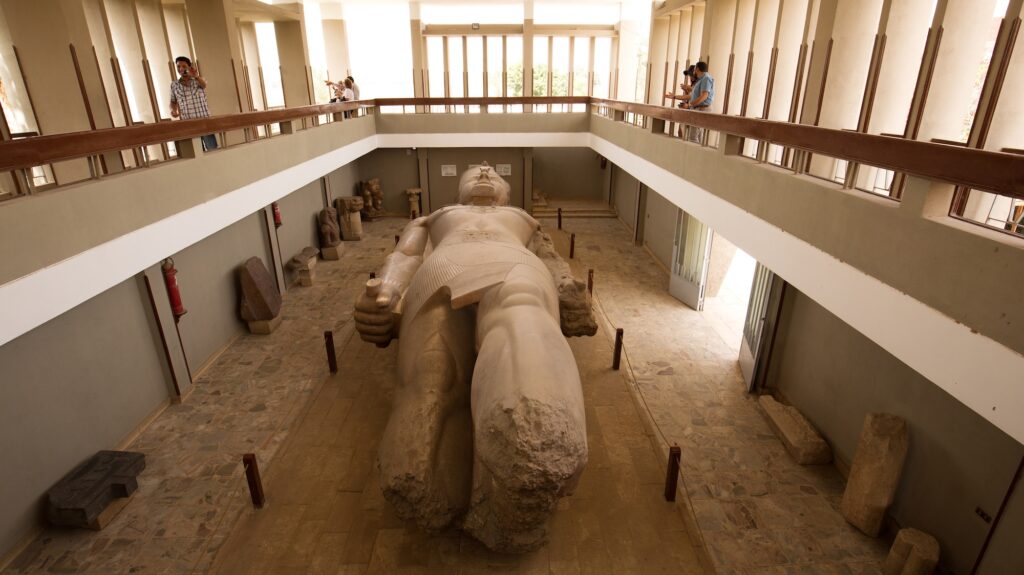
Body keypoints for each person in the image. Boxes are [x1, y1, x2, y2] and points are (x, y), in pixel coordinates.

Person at [354, 164, 594, 552]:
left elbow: (550, 260)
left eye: (493, 172)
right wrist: (385, 295)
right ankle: (431, 480)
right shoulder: (435, 218)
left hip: (513, 265)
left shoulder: (521, 219)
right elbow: (404, 257)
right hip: (442, 269)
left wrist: (568, 290)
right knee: (433, 377)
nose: (484, 172)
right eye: (474, 171)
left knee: (520, 315)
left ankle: (534, 446)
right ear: (458, 189)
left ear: (506, 191)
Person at [169, 56, 217, 151]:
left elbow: (204, 85)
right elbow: (173, 101)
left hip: (204, 123)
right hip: (188, 125)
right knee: (196, 153)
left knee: (213, 151)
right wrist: (173, 111)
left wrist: (196, 76)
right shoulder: (174, 84)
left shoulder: (197, 80)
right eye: (178, 66)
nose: (181, 69)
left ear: (189, 67)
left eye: (184, 66)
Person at [682, 61, 715, 143]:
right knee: (697, 135)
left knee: (693, 136)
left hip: (702, 108)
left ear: (697, 69)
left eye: (694, 69)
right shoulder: (701, 79)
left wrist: (690, 104)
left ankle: (693, 155)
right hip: (698, 108)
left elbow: (704, 96)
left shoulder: (706, 78)